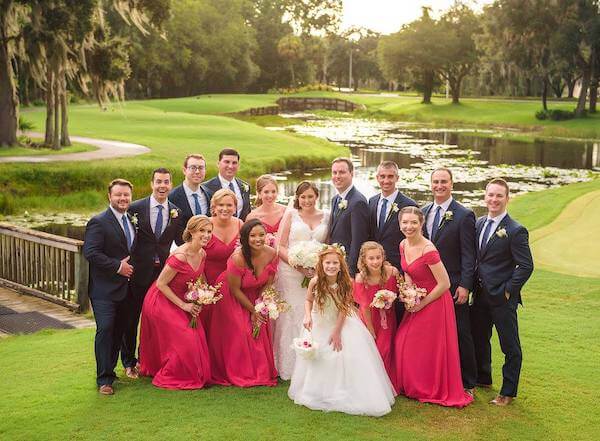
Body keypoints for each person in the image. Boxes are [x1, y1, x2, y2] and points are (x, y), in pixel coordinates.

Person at [288, 245, 396, 417]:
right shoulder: (316, 281)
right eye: (327, 263)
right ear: (321, 264)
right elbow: (308, 300)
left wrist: (337, 332)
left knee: (340, 354)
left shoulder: (346, 283)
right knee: (319, 357)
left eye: (335, 263)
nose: (331, 266)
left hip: (340, 322)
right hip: (319, 321)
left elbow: (344, 309)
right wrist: (307, 316)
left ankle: (343, 391)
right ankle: (318, 392)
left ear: (341, 265)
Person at [392, 206, 473, 408]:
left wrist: (422, 303)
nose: (409, 226)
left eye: (413, 222)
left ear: (421, 224)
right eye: (405, 222)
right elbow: (408, 270)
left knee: (426, 346)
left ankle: (427, 387)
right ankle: (411, 385)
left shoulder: (429, 250)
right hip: (416, 299)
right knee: (404, 341)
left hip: (435, 301)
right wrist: (409, 289)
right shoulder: (403, 244)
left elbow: (444, 283)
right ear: (400, 224)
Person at [471, 178, 534, 406]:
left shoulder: (516, 230)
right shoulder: (478, 223)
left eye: (499, 196)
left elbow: (526, 266)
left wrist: (508, 291)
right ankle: (483, 378)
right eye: (490, 195)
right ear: (485, 197)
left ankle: (507, 392)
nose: (494, 199)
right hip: (479, 295)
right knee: (480, 339)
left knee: (510, 346)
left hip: (502, 298)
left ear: (507, 198)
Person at [120, 168, 182, 380]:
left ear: (171, 185)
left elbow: (179, 242)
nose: (162, 185)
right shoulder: (135, 208)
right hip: (137, 273)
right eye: (158, 182)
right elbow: (124, 236)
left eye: (166, 182)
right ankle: (129, 362)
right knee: (131, 318)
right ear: (151, 184)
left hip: (161, 276)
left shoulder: (176, 211)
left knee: (156, 319)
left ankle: (148, 359)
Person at [138, 215, 213, 390]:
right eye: (202, 231)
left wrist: (205, 293)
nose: (206, 235)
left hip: (184, 298)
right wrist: (184, 305)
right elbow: (161, 284)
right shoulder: (179, 256)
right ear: (191, 232)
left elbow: (200, 276)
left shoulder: (202, 253)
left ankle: (193, 372)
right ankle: (171, 373)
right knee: (185, 337)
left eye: (209, 231)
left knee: (195, 336)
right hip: (162, 300)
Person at [421, 167, 477, 394]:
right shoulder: (423, 211)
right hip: (427, 284)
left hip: (453, 284)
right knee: (432, 332)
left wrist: (465, 285)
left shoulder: (464, 215)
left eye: (444, 181)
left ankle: (468, 382)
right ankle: (436, 375)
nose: (439, 186)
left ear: (452, 184)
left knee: (461, 332)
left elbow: (469, 255)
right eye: (435, 182)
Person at [207, 219, 279, 387]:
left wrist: (261, 305)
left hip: (255, 293)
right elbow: (235, 289)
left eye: (261, 235)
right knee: (242, 329)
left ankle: (259, 371)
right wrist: (253, 311)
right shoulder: (238, 257)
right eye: (253, 236)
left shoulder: (271, 253)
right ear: (245, 238)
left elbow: (268, 282)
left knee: (259, 327)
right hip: (231, 295)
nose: (258, 239)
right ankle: (239, 371)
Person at [83, 179, 136, 395]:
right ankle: (103, 379)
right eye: (118, 195)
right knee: (105, 329)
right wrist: (117, 267)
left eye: (126, 195)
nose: (123, 198)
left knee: (119, 331)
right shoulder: (99, 222)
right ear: (110, 197)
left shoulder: (131, 219)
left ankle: (111, 372)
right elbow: (91, 253)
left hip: (127, 289)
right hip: (104, 289)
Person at [274, 181, 329, 380]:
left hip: (316, 273)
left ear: (317, 196)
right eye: (303, 197)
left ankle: (310, 360)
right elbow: (279, 246)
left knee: (312, 314)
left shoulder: (327, 216)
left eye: (310, 196)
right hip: (290, 272)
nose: (306, 200)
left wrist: (317, 266)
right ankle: (287, 364)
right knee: (291, 315)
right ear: (297, 198)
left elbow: (328, 246)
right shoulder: (291, 215)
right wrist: (299, 265)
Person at [353, 241, 399, 378]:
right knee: (374, 348)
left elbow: (401, 288)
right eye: (371, 258)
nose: (375, 261)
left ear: (383, 257)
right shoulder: (361, 278)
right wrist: (370, 328)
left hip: (388, 317)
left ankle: (388, 380)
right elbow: (364, 306)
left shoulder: (392, 272)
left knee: (386, 348)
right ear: (364, 260)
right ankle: (373, 380)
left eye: (378, 257)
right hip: (370, 318)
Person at [201, 189, 243, 333]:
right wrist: (204, 287)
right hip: (207, 283)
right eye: (221, 205)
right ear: (214, 207)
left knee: (231, 326)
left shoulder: (240, 225)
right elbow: (193, 255)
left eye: (229, 205)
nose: (225, 209)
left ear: (235, 207)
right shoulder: (205, 225)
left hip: (233, 285)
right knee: (210, 325)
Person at [368, 161, 417, 271]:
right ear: (377, 178)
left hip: (398, 267)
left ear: (397, 178)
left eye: (390, 176)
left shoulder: (409, 205)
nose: (386, 181)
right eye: (382, 176)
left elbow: (415, 240)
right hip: (373, 266)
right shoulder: (372, 202)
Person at [328, 157, 369, 276]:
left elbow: (358, 240)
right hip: (334, 264)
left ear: (351, 174)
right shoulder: (335, 199)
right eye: (334, 172)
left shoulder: (358, 202)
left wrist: (350, 272)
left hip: (347, 268)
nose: (337, 176)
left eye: (342, 172)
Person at [169, 154, 211, 245]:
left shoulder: (210, 194)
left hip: (207, 248)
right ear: (184, 170)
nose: (197, 171)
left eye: (201, 168)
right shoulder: (172, 197)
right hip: (182, 249)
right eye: (193, 168)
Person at [203, 148, 251, 220]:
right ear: (218, 163)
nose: (230, 166)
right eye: (227, 162)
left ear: (238, 165)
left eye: (234, 163)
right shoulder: (206, 188)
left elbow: (247, 212)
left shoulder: (245, 186)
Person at [245, 174, 286, 241]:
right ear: (259, 194)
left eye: (273, 192)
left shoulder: (285, 211)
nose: (270, 195)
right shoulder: (252, 217)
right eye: (266, 192)